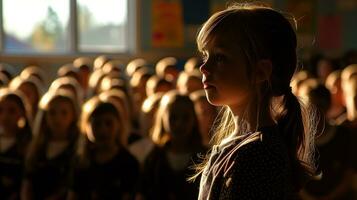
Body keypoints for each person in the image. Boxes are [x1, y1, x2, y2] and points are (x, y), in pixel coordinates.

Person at [193, 3, 319, 199]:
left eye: (220, 57)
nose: (204, 68)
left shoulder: (258, 154)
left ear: (260, 71)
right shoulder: (237, 145)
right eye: (205, 56)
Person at [67, 97, 139, 200]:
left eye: (109, 123)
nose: (103, 130)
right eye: (97, 124)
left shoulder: (128, 163)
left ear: (119, 125)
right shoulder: (81, 163)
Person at [141, 91, 205, 200]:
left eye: (185, 118)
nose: (179, 124)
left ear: (194, 119)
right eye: (173, 117)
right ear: (163, 119)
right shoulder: (154, 158)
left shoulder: (204, 157)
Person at [21, 89, 80, 200]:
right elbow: (27, 182)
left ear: (73, 116)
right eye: (52, 113)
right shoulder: (36, 148)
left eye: (64, 113)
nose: (57, 119)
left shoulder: (77, 149)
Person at [0, 89, 32, 200]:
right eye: (1, 110)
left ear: (22, 113)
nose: (5, 116)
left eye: (12, 111)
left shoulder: (29, 143)